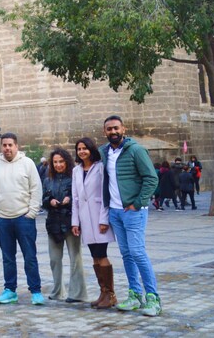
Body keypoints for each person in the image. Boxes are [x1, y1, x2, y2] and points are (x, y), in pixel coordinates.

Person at [100, 115, 161, 316]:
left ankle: (153, 298)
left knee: (137, 252)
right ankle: (135, 295)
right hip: (116, 212)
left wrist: (137, 203)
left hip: (133, 211)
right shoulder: (104, 152)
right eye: (109, 129)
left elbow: (151, 179)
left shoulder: (136, 150)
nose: (113, 132)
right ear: (105, 132)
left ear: (123, 129)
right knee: (126, 254)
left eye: (116, 128)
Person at [0, 133, 44, 305]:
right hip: (2, 219)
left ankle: (35, 291)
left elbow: (36, 188)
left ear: (16, 146)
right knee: (7, 257)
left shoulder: (27, 164)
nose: (7, 148)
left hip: (23, 218)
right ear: (1, 147)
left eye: (10, 145)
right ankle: (10, 290)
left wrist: (32, 212)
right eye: (4, 145)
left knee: (30, 256)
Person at [71, 137, 117, 309]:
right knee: (94, 256)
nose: (82, 151)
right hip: (84, 218)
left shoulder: (100, 168)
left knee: (102, 254)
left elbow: (105, 194)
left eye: (85, 148)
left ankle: (110, 294)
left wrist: (104, 219)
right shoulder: (76, 170)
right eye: (79, 149)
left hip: (99, 217)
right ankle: (103, 292)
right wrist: (75, 222)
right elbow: (75, 198)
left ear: (91, 149)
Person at [43, 148, 87, 303]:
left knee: (75, 258)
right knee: (54, 259)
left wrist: (69, 199)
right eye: (55, 162)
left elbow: (81, 196)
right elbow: (44, 198)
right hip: (53, 222)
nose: (58, 165)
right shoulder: (48, 179)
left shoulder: (74, 176)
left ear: (66, 162)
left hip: (70, 221)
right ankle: (57, 291)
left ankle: (77, 293)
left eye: (61, 161)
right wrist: (50, 201)